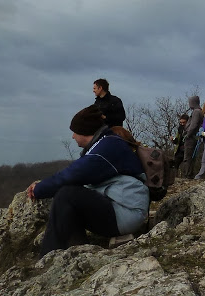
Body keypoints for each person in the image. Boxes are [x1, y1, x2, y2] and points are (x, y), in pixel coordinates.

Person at [27, 105, 149, 256]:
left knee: (66, 195)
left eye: (74, 132)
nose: (72, 136)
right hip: (123, 207)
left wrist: (39, 189)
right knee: (70, 197)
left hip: (127, 212)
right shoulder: (104, 144)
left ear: (84, 131)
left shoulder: (107, 147)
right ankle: (76, 251)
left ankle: (47, 256)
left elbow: (72, 175)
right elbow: (75, 175)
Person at [180, 94, 204, 178]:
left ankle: (188, 174)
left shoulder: (196, 112)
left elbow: (194, 125)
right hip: (192, 136)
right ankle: (188, 173)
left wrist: (188, 134)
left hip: (191, 137)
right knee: (189, 157)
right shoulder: (197, 111)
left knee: (188, 157)